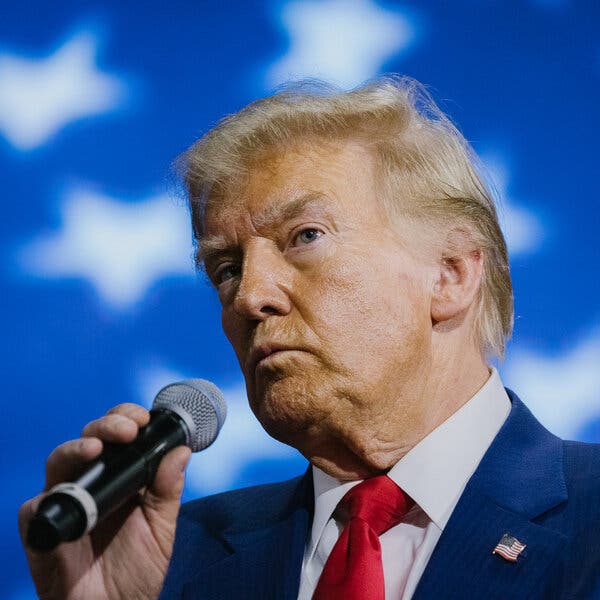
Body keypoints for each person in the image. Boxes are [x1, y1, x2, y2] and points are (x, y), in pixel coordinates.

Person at [19, 76, 600, 599]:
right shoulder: (170, 562)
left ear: (450, 273)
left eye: (305, 236)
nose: (249, 296)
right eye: (226, 268)